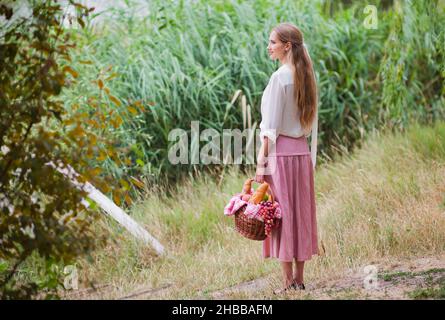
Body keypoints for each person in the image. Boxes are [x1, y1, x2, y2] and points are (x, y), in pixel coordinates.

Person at [255, 22, 319, 294]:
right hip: (301, 154)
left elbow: (269, 129)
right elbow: (311, 125)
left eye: (273, 42)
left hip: (280, 155)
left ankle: (286, 282)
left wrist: (261, 163)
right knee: (300, 214)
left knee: (280, 217)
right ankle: (300, 279)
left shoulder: (279, 78)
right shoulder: (307, 76)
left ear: (287, 46)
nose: (269, 47)